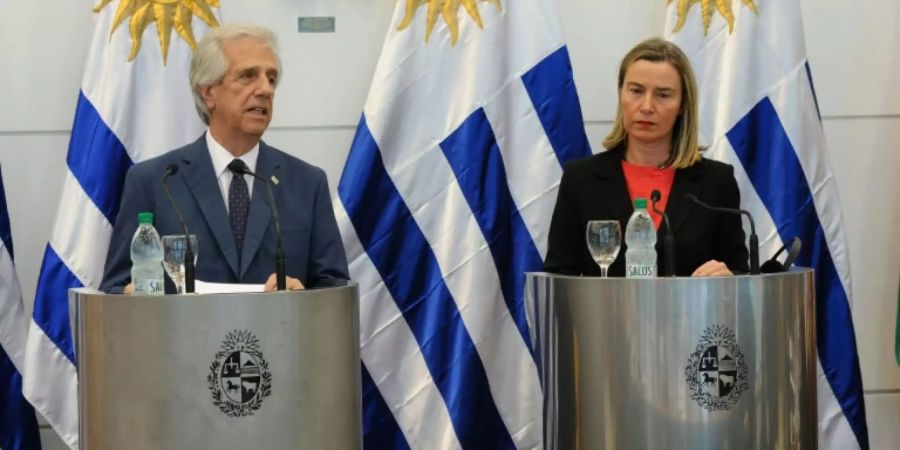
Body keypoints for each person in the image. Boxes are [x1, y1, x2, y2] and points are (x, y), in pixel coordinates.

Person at [100, 23, 349, 293]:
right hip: (185, 335)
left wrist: (301, 297)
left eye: (271, 78)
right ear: (208, 92)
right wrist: (133, 295)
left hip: (279, 334)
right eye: (248, 76)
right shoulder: (155, 182)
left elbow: (334, 287)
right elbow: (115, 287)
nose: (266, 89)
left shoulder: (307, 183)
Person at [544, 38, 748, 277]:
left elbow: (739, 272)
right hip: (606, 315)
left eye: (663, 95)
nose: (647, 106)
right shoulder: (581, 178)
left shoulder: (716, 181)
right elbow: (558, 275)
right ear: (621, 93)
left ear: (683, 104)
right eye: (636, 91)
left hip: (690, 314)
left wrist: (729, 278)